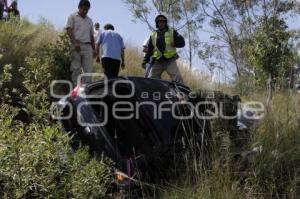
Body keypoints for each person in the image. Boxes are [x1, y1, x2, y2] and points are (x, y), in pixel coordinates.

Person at [142, 14, 185, 84]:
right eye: (159, 22)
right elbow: (149, 50)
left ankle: (182, 93)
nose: (161, 23)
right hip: (157, 61)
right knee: (150, 79)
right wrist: (145, 61)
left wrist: (176, 43)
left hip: (170, 61)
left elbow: (182, 42)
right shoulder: (153, 35)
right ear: (157, 23)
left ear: (165, 23)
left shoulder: (172, 32)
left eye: (163, 21)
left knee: (177, 77)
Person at [66, 0, 95, 84]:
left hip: (88, 47)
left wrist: (94, 49)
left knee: (88, 71)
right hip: (76, 45)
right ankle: (76, 90)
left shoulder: (90, 20)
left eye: (87, 10)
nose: (85, 11)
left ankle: (87, 91)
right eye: (83, 9)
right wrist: (75, 43)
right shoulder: (72, 16)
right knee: (76, 69)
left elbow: (91, 36)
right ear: (79, 7)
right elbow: (69, 29)